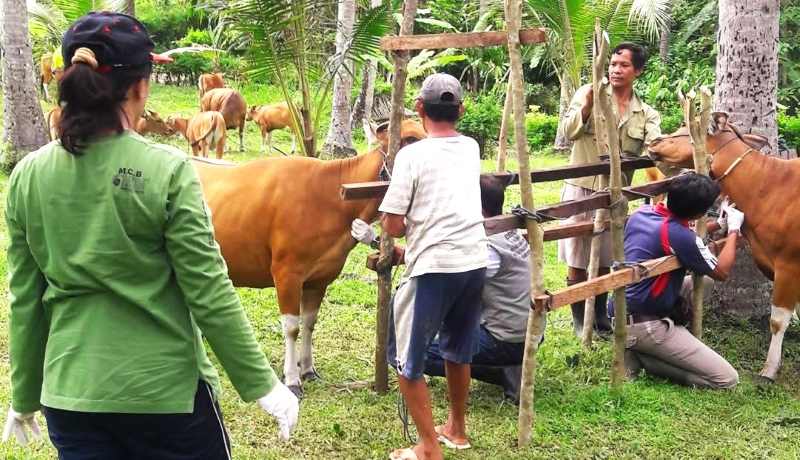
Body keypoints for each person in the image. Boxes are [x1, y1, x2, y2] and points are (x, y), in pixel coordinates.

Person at [2, 13, 298, 459]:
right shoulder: (168, 170)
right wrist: (261, 384)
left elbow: (25, 299)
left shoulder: (27, 175)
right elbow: (208, 289)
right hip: (167, 398)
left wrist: (23, 398)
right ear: (141, 86)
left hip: (71, 399)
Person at [352, 176, 544, 405]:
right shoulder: (506, 231)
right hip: (528, 331)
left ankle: (499, 371)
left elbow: (444, 272)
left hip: (506, 339)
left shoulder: (485, 247)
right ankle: (500, 367)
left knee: (414, 351)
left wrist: (376, 240)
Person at [378, 73, 488, 460]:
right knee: (459, 348)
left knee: (407, 359)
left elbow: (391, 222)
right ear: (460, 110)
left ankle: (427, 447)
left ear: (419, 108)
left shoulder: (411, 156)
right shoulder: (471, 147)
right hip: (475, 259)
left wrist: (415, 226)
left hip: (432, 267)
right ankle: (456, 429)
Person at [558, 42, 663, 337]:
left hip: (616, 195)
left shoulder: (646, 113)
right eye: (613, 64)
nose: (616, 70)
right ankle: (581, 320)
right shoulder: (587, 92)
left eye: (624, 65)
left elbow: (655, 148)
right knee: (577, 257)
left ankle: (600, 318)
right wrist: (589, 105)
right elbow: (568, 132)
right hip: (582, 189)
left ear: (638, 71)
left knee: (606, 258)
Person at [617, 172, 742, 389]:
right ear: (698, 213)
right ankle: (644, 360)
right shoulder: (680, 236)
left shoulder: (641, 214)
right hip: (646, 325)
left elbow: (682, 233)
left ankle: (648, 347)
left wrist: (717, 224)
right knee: (726, 379)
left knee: (703, 283)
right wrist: (733, 230)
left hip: (622, 312)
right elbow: (721, 272)